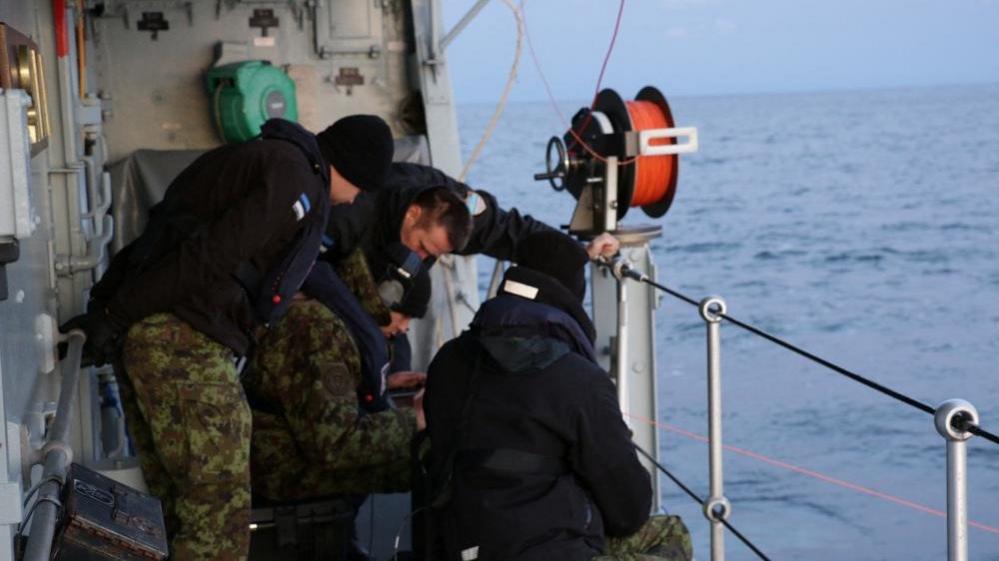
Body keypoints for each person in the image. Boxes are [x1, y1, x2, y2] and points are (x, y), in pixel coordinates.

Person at [64, 115, 395, 561]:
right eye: (362, 188)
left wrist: (112, 312)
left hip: (155, 332)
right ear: (352, 168)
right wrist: (113, 314)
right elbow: (213, 254)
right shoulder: (294, 178)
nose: (356, 199)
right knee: (218, 515)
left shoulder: (265, 157)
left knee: (175, 509)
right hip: (184, 341)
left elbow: (167, 232)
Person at [423, 231, 693, 561]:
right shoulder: (578, 378)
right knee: (669, 532)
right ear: (570, 298)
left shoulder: (448, 360)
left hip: (454, 547)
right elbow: (629, 511)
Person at [245, 243, 435, 503]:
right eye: (404, 315)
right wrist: (416, 418)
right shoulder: (319, 329)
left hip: (285, 451)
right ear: (383, 295)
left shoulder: (325, 314)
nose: (404, 328)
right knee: (429, 461)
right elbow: (336, 445)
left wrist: (388, 388)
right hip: (278, 471)